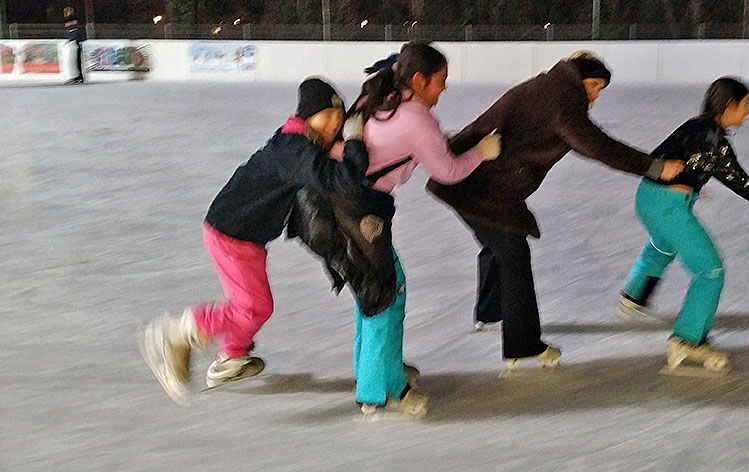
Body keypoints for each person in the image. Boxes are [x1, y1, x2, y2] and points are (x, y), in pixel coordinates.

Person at [427, 52, 684, 375]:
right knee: (513, 253)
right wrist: (655, 168)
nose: (595, 95)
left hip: (470, 181)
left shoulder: (543, 87)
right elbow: (598, 146)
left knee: (500, 244)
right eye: (594, 86)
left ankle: (491, 312)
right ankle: (524, 344)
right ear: (580, 79)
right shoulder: (562, 99)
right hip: (484, 188)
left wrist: (450, 158)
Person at [138, 77, 368, 405]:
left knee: (253, 305)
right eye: (327, 117)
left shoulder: (298, 142)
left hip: (244, 234)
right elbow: (341, 180)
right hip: (233, 233)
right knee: (253, 307)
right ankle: (176, 332)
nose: (334, 125)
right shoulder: (295, 150)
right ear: (307, 116)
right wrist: (355, 142)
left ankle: (231, 359)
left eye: (339, 118)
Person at [331, 42, 501, 419]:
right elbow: (448, 171)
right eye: (441, 80)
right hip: (359, 210)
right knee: (387, 293)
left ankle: (375, 371)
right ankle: (383, 388)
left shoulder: (382, 95)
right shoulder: (417, 119)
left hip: (341, 201)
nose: (444, 88)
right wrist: (482, 152)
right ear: (420, 80)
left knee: (372, 291)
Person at [618, 77, 749, 375]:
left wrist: (690, 180)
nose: (748, 111)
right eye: (745, 105)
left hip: (647, 198)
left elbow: (663, 156)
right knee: (709, 271)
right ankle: (687, 340)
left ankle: (633, 295)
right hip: (668, 207)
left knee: (663, 245)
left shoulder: (694, 125)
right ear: (730, 105)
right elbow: (742, 182)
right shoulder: (715, 143)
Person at [64, 15, 86, 85]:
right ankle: (77, 76)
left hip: (77, 46)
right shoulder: (71, 29)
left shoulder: (77, 29)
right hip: (74, 46)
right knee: (74, 62)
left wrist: (73, 40)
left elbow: (78, 37)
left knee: (77, 62)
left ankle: (79, 77)